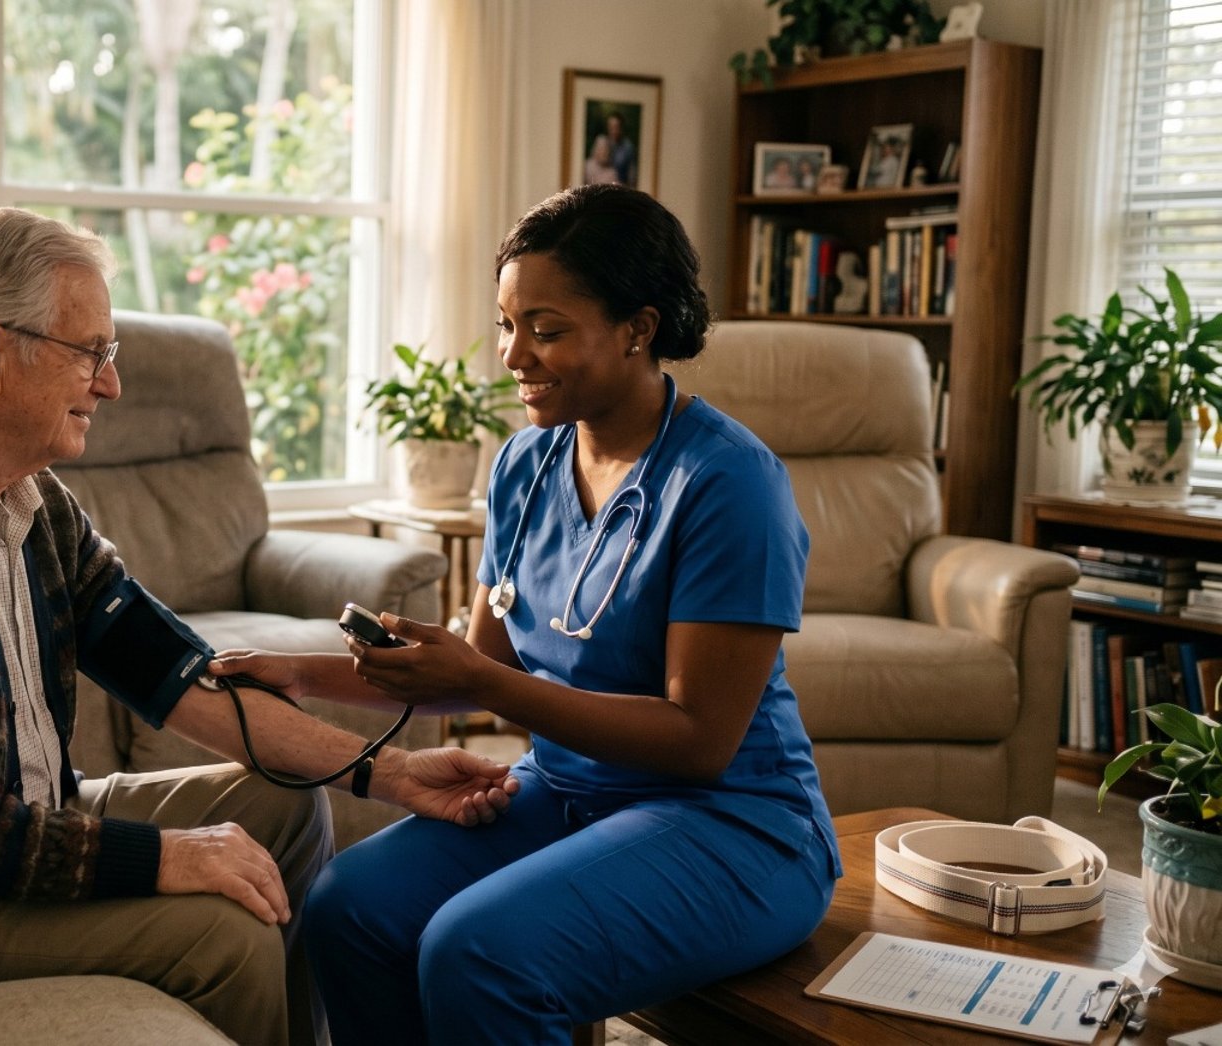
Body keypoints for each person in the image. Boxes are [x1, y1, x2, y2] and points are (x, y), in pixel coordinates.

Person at [0, 206, 518, 1046]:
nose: (111, 383)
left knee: (282, 801)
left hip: (4, 827)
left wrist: (394, 772)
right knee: (223, 935)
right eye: (90, 353)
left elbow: (179, 675)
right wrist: (165, 859)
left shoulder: (32, 500)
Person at [211, 184, 841, 1044]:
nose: (513, 355)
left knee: (478, 953)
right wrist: (302, 670)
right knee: (347, 908)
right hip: (572, 792)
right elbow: (478, 669)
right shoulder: (523, 466)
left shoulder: (728, 483)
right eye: (507, 325)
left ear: (638, 328)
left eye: (545, 330)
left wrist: (481, 683)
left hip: (733, 822)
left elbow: (700, 739)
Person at [602, 112, 635, 186]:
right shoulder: (602, 143)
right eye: (610, 127)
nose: (613, 130)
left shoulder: (628, 147)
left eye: (615, 127)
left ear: (621, 128)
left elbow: (632, 175)